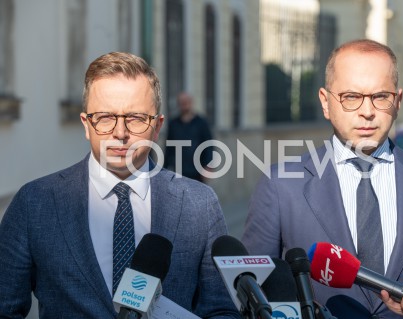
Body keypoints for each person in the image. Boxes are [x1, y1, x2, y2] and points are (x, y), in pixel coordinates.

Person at [242, 39, 403, 318]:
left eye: (380, 96)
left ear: (398, 101)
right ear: (325, 102)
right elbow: (251, 292)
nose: (367, 111)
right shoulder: (281, 185)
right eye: (351, 97)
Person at [0, 52, 239, 318]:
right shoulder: (35, 203)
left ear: (157, 127)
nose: (120, 133)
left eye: (136, 118)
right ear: (86, 124)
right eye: (104, 117)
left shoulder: (200, 205)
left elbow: (222, 310)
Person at [164, 92, 213, 182]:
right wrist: (165, 168)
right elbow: (169, 148)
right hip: (179, 171)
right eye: (182, 102)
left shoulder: (201, 123)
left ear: (191, 103)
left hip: (197, 171)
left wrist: (208, 167)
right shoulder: (173, 124)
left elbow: (209, 146)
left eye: (186, 102)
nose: (184, 104)